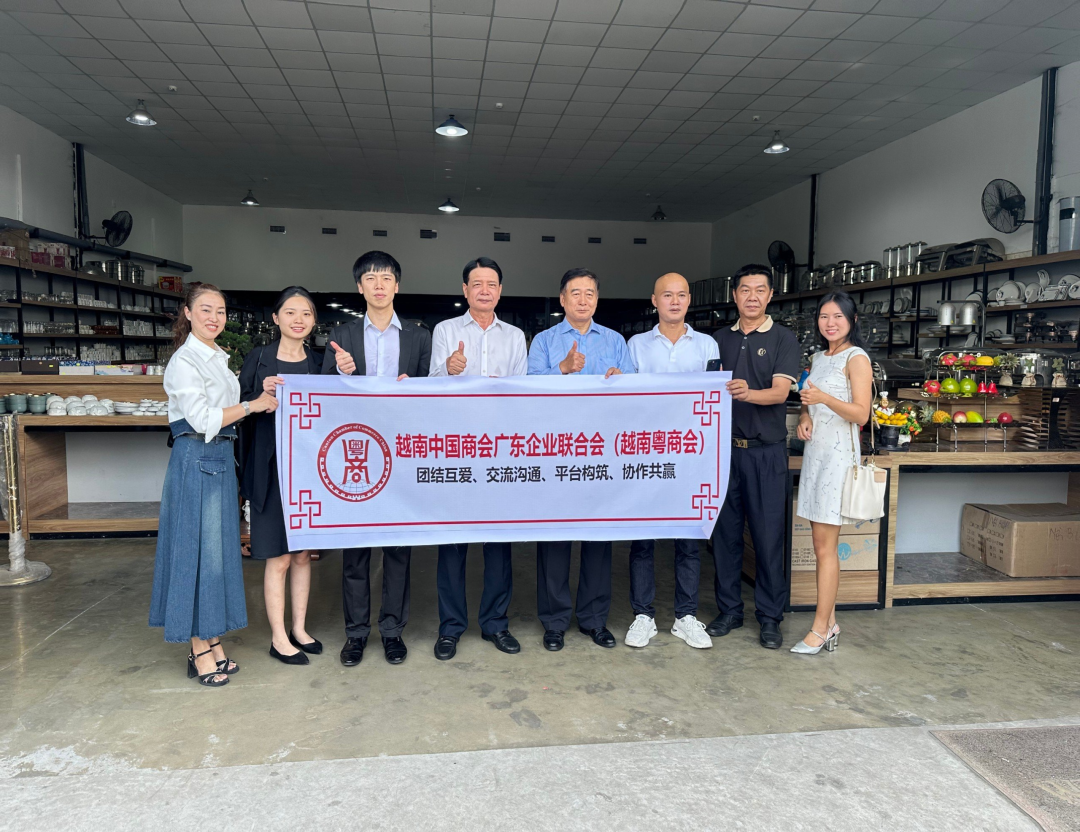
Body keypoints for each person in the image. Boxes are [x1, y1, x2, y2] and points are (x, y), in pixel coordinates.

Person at [149, 282, 279, 687]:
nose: (214, 318)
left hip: (220, 458)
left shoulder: (217, 357)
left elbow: (224, 406)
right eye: (205, 309)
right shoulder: (184, 361)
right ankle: (198, 648)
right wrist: (253, 405)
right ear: (187, 313)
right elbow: (203, 418)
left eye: (220, 311)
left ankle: (212, 638)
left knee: (218, 555)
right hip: (195, 457)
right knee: (194, 554)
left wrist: (257, 393)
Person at [322, 251, 431, 667]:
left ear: (397, 286)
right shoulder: (342, 334)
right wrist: (341, 374)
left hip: (401, 451)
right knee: (356, 548)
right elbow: (324, 392)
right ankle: (355, 634)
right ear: (360, 287)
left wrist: (414, 388)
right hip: (358, 451)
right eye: (370, 278)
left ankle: (392, 631)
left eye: (386, 277)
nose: (379, 285)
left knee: (398, 548)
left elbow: (431, 395)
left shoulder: (418, 336)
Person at [527, 267, 635, 651]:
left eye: (590, 293)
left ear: (597, 299)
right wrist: (563, 369)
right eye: (576, 293)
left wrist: (620, 379)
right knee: (554, 536)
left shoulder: (615, 341)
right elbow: (527, 391)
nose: (583, 299)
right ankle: (554, 621)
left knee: (598, 536)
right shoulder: (544, 341)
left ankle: (593, 619)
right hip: (555, 449)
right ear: (562, 299)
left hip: (602, 450)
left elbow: (636, 391)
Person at [428, 256, 528, 661]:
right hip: (457, 447)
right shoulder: (445, 330)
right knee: (452, 543)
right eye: (477, 284)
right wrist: (448, 369)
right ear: (465, 290)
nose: (484, 290)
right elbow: (430, 387)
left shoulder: (515, 336)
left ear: (500, 291)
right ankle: (450, 628)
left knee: (499, 543)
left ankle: (495, 624)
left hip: (500, 448)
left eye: (491, 284)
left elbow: (523, 393)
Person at [625, 273, 719, 650]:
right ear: (655, 301)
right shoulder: (636, 345)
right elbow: (626, 399)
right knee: (642, 538)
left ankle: (686, 616)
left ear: (689, 300)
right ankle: (643, 616)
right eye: (667, 295)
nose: (674, 301)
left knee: (689, 538)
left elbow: (714, 398)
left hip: (692, 453)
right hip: (646, 452)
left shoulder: (707, 344)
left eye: (681, 295)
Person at [710, 264, 800, 649]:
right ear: (735, 295)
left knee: (767, 538)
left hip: (766, 454)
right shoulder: (717, 340)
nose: (752, 296)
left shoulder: (783, 339)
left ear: (770, 295)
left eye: (759, 290)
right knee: (725, 537)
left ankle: (769, 617)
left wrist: (747, 393)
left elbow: (780, 392)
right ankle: (730, 610)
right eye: (744, 289)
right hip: (723, 452)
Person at [239, 287, 323, 666]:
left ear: (313, 320)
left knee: (303, 554)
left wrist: (347, 374)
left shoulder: (320, 363)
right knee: (279, 557)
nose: (298, 320)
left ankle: (300, 629)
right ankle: (278, 637)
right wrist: (260, 394)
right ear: (276, 318)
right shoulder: (259, 359)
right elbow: (240, 407)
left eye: (306, 313)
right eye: (290, 312)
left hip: (309, 471)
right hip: (271, 468)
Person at [793, 291, 872, 655]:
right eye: (824, 316)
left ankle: (820, 628)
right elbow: (807, 399)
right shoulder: (817, 358)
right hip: (817, 456)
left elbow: (861, 414)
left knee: (825, 548)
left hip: (838, 459)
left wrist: (823, 399)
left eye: (838, 316)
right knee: (820, 545)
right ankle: (831, 622)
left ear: (852, 320)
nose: (830, 323)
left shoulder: (857, 358)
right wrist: (805, 416)